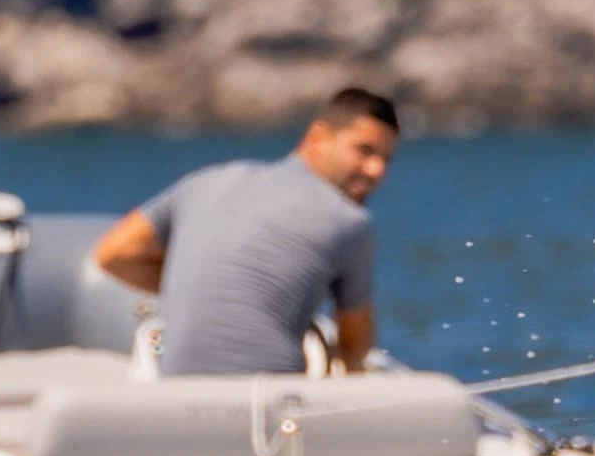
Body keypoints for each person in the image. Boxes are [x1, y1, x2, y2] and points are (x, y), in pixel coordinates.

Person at [93, 87, 401, 377]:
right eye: (364, 150)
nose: (376, 171)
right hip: (267, 409)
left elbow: (113, 254)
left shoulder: (207, 182)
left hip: (178, 397)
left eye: (385, 160)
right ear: (318, 136)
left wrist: (188, 286)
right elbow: (354, 351)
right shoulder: (351, 221)